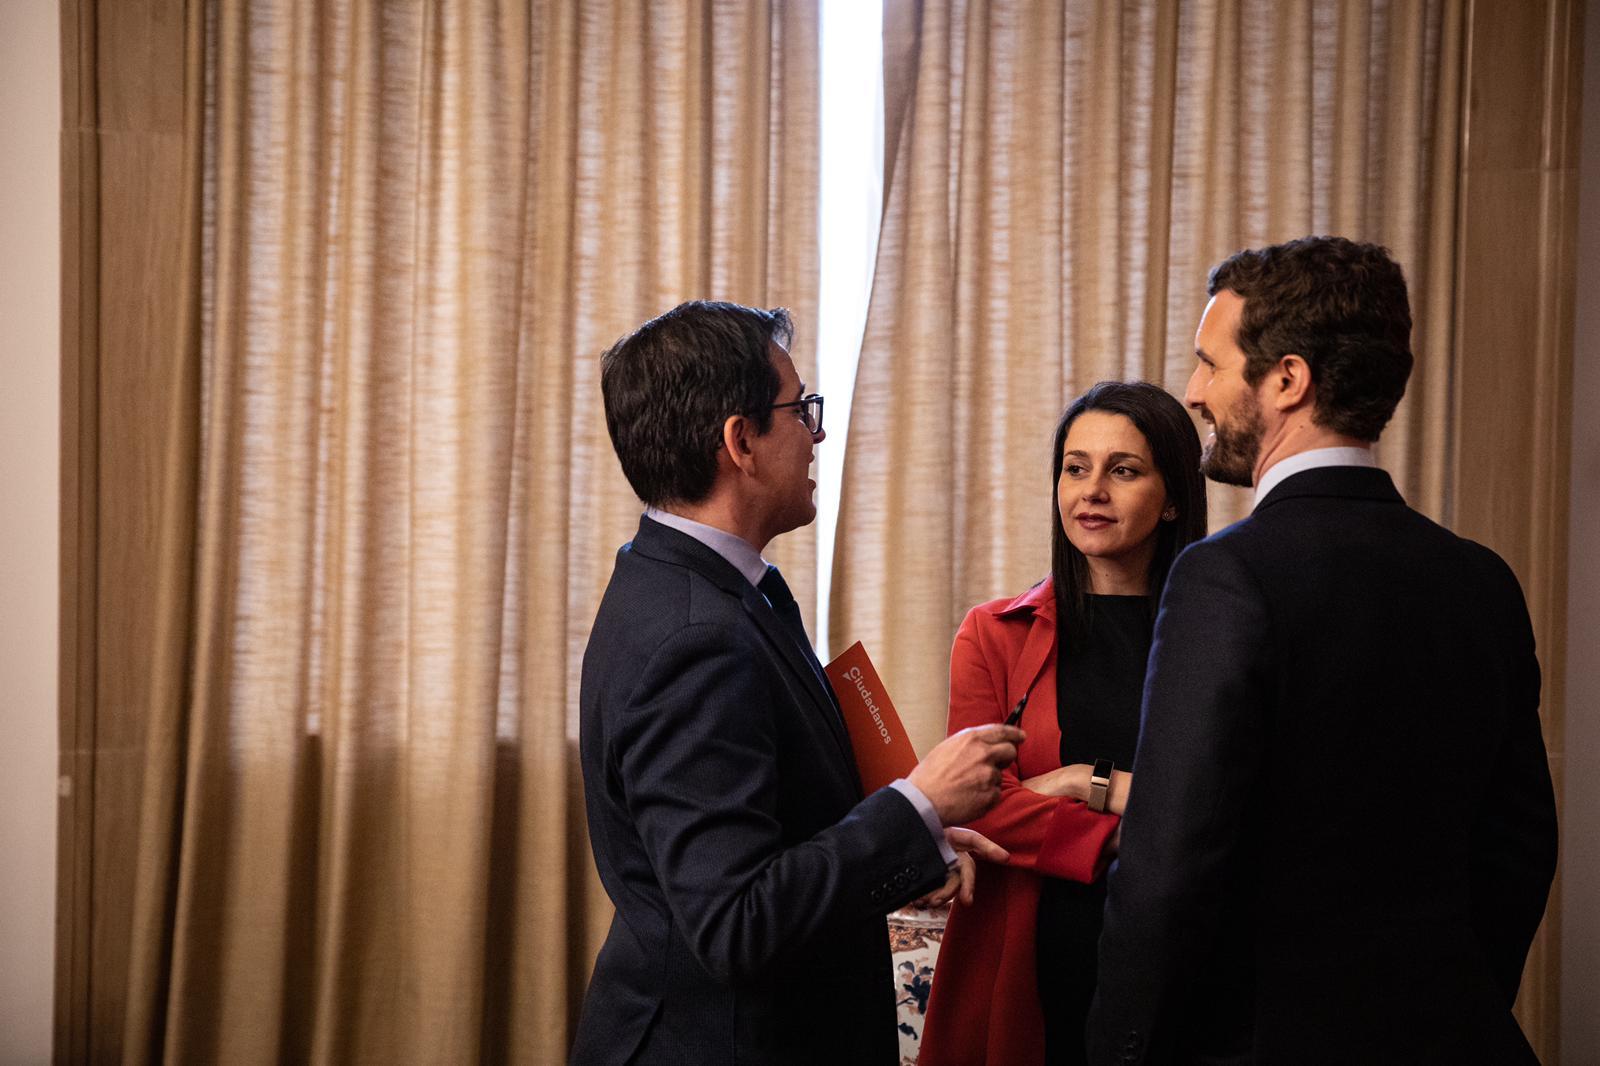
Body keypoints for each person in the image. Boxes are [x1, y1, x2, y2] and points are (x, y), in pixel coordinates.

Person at [1087, 237, 1559, 1064]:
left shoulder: (1225, 578)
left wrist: (1120, 1052)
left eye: (1210, 364)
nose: (1194, 392)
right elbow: (1520, 848)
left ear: (1287, 380)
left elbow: (1167, 871)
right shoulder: (1483, 579)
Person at [571, 300, 1025, 1066]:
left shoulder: (687, 584)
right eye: (801, 409)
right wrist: (918, 802)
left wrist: (914, 839)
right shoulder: (698, 638)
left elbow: (773, 829)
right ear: (741, 441)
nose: (817, 433)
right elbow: (737, 923)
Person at [919, 381, 1208, 1066]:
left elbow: (1230, 801)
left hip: (1185, 956)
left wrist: (1070, 787)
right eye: (1075, 468)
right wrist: (1104, 797)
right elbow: (979, 810)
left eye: (1124, 470)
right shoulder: (994, 634)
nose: (1092, 490)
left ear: (1171, 500)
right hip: (1034, 957)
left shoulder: (1220, 636)